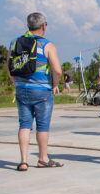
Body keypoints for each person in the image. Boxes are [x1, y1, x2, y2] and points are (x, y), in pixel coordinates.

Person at [6, 12, 63, 171]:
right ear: (44, 25)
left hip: (21, 90)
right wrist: (54, 84)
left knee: (24, 124)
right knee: (42, 126)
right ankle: (43, 159)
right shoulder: (47, 45)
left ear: (28, 25)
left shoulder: (14, 43)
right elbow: (57, 70)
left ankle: (23, 161)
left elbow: (9, 67)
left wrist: (16, 83)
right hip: (42, 91)